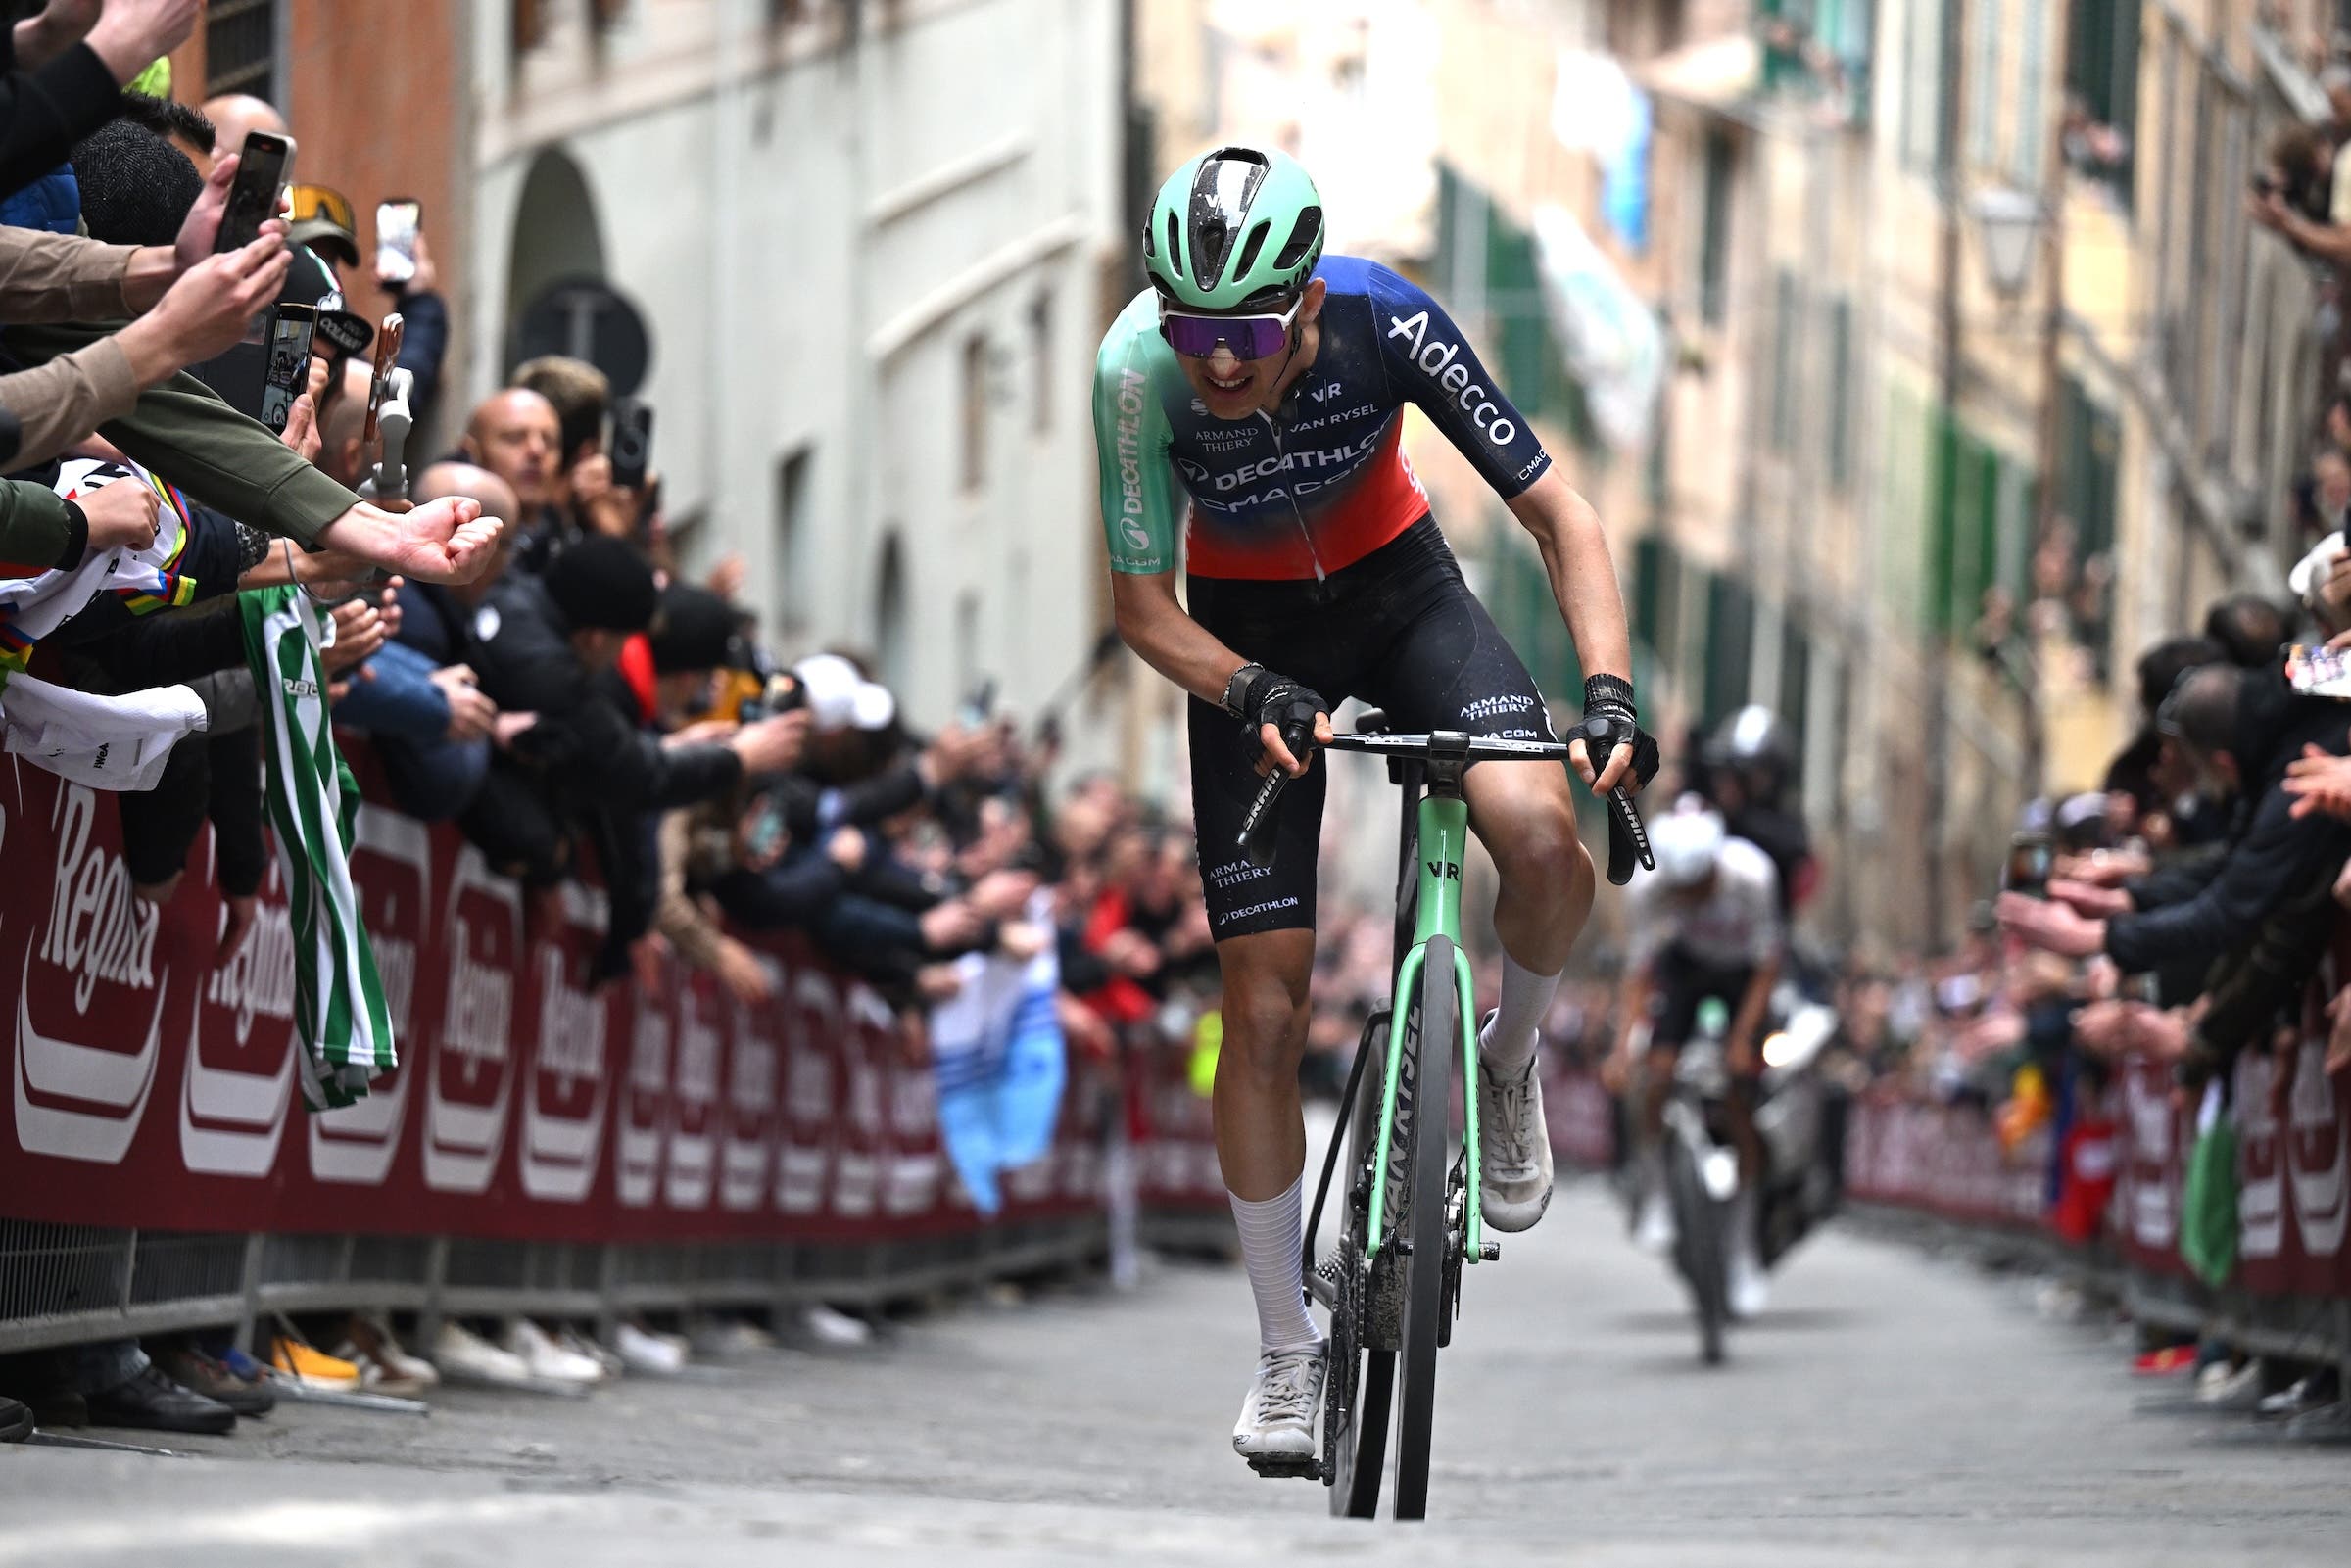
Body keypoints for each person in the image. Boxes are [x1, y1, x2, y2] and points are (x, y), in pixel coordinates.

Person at [1090, 144, 1655, 1463]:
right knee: (1265, 1003)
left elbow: (1560, 512)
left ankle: (1506, 1066)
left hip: (1405, 600)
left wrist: (1612, 689)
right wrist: (1245, 691)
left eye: (1244, 330)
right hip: (1249, 643)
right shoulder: (1136, 374)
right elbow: (1138, 608)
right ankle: (1288, 1353)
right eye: (1192, 328)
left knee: (1540, 842)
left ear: (1303, 303)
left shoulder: (1387, 318)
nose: (1217, 363)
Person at [1605, 802, 1784, 1315]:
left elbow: (1768, 964)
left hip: (1743, 977)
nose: (1692, 899)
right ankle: (1657, 1188)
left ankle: (1743, 1247)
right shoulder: (1650, 887)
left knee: (1738, 1097)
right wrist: (1623, 1051)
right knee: (1656, 1074)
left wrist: (1741, 1041)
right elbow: (1638, 974)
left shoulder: (1752, 876)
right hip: (1685, 970)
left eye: (1699, 888)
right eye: (1682, 892)